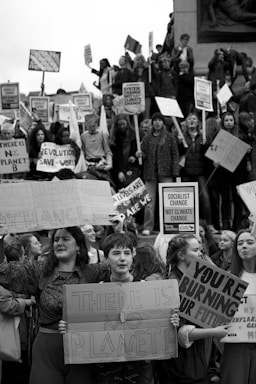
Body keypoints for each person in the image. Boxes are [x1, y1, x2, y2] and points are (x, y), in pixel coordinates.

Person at [59, 232, 179, 384]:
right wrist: (69, 327)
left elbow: (161, 325)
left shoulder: (148, 290)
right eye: (116, 253)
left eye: (127, 253)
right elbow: (84, 327)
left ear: (132, 256)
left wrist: (171, 322)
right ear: (105, 257)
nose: (122, 258)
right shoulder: (95, 293)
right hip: (106, 368)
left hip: (141, 367)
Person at [0, 226, 109, 384]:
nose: (59, 243)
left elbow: (121, 265)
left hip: (81, 352)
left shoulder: (91, 273)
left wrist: (117, 230)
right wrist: (0, 239)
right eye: (56, 239)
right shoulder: (38, 271)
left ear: (79, 246)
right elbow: (4, 272)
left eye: (65, 239)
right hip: (47, 353)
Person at [158, 234, 230, 384]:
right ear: (181, 255)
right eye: (196, 250)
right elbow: (181, 333)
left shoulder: (196, 280)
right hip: (183, 367)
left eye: (201, 250)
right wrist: (215, 331)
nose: (200, 254)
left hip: (200, 362)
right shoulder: (172, 285)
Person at [220, 229, 256, 384]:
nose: (244, 247)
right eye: (240, 243)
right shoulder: (228, 278)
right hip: (235, 347)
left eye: (250, 242)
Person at [137, 112, 179, 236]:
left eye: (160, 120)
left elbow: (175, 155)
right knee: (149, 201)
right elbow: (143, 154)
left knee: (168, 200)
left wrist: (175, 172)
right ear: (152, 123)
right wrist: (139, 155)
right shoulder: (147, 138)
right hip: (150, 172)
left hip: (166, 172)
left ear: (163, 123)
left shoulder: (170, 137)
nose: (157, 122)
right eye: (155, 120)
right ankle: (147, 227)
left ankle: (168, 225)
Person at [110, 113, 141, 190]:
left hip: (132, 169)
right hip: (120, 170)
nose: (122, 127)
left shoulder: (135, 135)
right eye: (119, 125)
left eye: (123, 124)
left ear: (127, 123)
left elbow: (138, 150)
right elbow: (114, 157)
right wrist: (118, 172)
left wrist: (134, 157)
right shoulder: (114, 137)